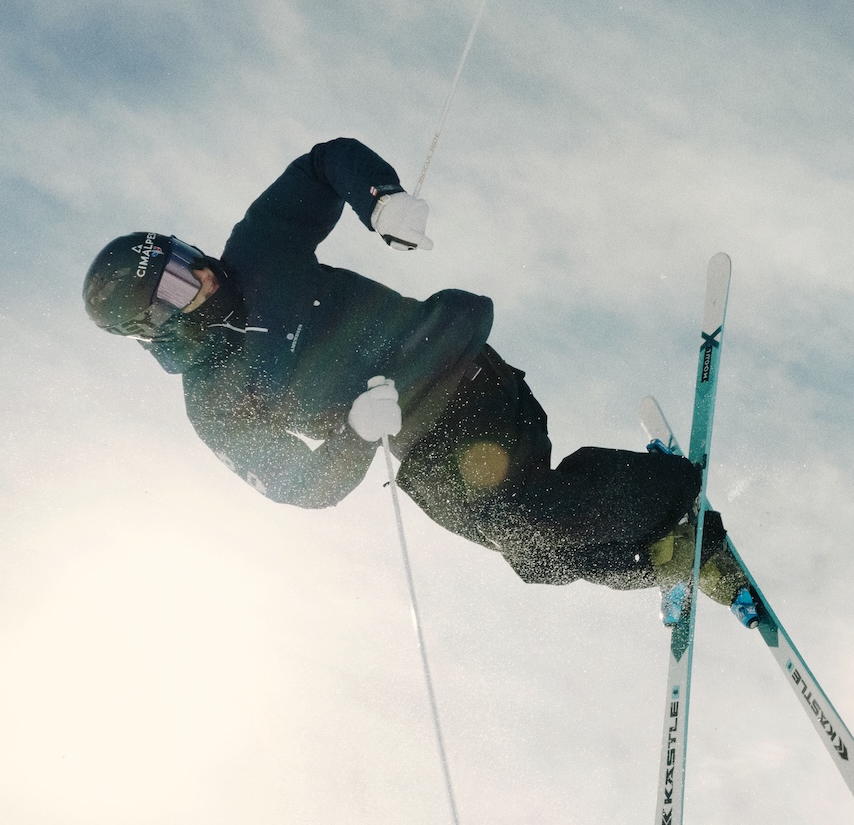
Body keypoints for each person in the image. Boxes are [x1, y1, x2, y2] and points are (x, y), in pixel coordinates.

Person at [83, 137, 752, 611]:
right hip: (419, 450)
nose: (200, 273)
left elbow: (324, 164)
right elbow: (297, 484)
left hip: (454, 371)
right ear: (155, 325)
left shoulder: (258, 253)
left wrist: (379, 198)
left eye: (181, 254)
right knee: (528, 551)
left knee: (531, 514)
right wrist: (354, 434)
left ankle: (679, 512)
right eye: (175, 284)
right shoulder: (214, 402)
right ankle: (664, 557)